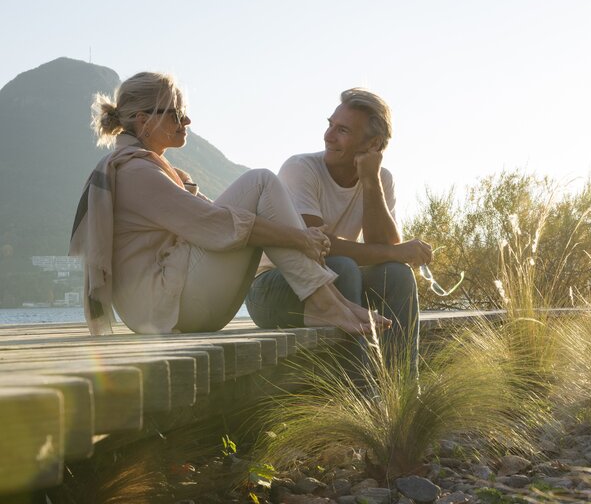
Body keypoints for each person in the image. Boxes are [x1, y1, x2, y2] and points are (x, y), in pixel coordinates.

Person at [69, 72, 380, 336]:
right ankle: (325, 303)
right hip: (166, 308)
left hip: (173, 304)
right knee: (260, 182)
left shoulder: (151, 169)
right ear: (143, 120)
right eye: (176, 113)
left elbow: (218, 218)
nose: (186, 120)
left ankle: (329, 302)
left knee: (257, 194)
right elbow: (216, 225)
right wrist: (300, 237)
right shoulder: (135, 173)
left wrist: (298, 237)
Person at [246, 88, 432, 370]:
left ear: (373, 144)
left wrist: (370, 181)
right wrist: (397, 252)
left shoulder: (382, 179)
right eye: (330, 124)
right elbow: (317, 248)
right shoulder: (301, 168)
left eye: (342, 130)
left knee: (396, 274)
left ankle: (404, 390)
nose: (328, 136)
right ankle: (359, 392)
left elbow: (385, 247)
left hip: (338, 289)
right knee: (340, 266)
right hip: (275, 289)